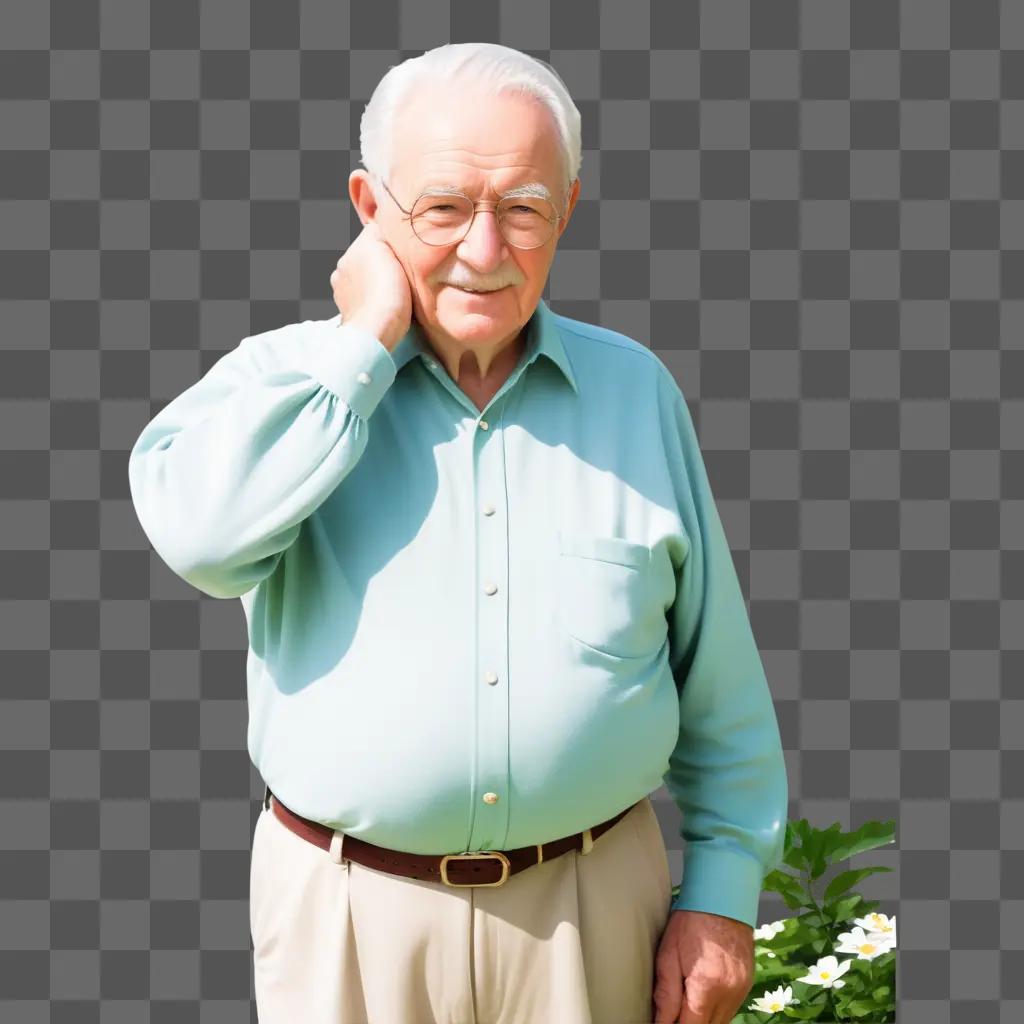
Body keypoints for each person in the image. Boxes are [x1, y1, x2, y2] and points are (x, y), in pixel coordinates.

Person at [128, 41, 788, 1024]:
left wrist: (724, 893)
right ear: (368, 207)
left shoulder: (636, 391)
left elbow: (716, 675)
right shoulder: (282, 380)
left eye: (522, 208)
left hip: (594, 908)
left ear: (565, 209)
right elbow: (204, 544)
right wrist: (361, 349)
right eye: (441, 208)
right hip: (348, 920)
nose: (484, 250)